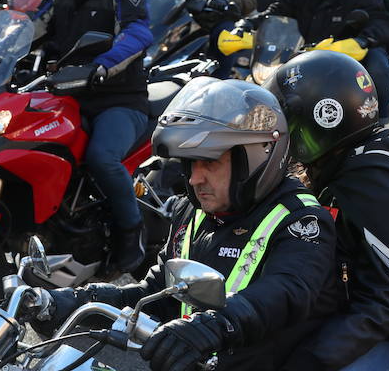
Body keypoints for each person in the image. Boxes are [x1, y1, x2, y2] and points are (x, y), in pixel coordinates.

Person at [31, 77, 339, 371]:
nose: (194, 178)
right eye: (191, 163)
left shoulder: (301, 221)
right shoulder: (196, 214)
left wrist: (214, 326)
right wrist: (74, 300)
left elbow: (284, 292)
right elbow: (156, 293)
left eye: (210, 162)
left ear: (256, 156)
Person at [263, 51, 389, 370]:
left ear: (324, 117)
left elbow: (381, 304)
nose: (279, 131)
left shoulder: (374, 186)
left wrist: (311, 360)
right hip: (332, 316)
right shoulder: (329, 167)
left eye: (287, 119)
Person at [32, 0, 154, 272]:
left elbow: (138, 34)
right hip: (66, 95)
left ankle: (130, 236)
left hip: (119, 99)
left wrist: (103, 64)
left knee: (102, 157)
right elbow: (29, 29)